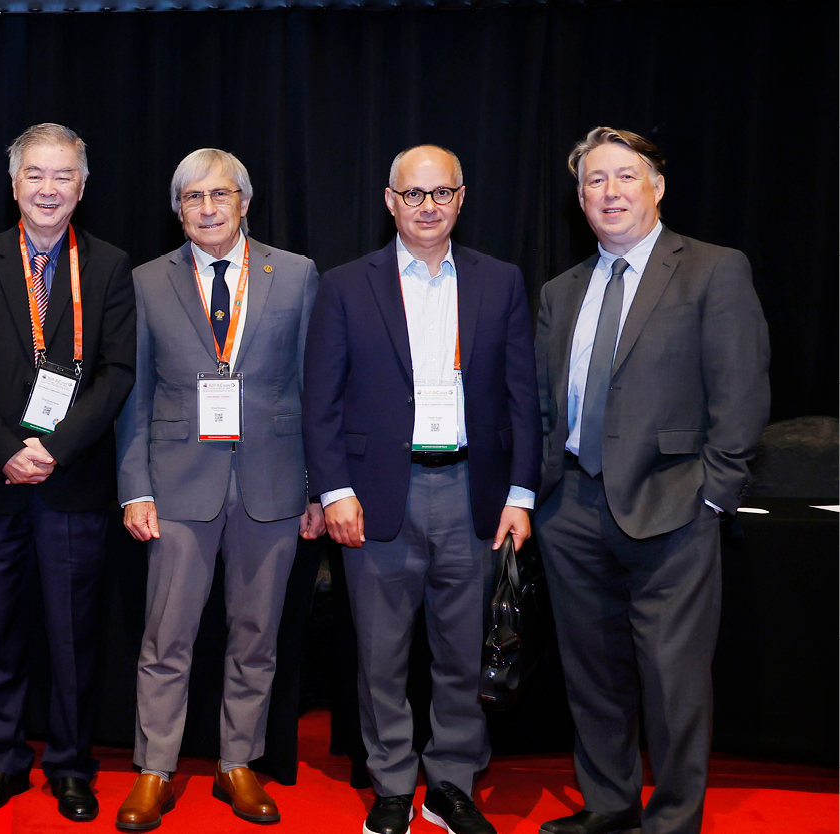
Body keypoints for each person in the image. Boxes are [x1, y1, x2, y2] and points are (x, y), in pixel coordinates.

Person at [532, 128, 769, 834]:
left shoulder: (710, 270)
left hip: (673, 508)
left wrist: (712, 494)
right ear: (578, 199)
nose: (609, 192)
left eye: (624, 176)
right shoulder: (559, 290)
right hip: (570, 508)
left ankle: (671, 821)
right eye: (594, 181)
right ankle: (608, 807)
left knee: (672, 684)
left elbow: (741, 394)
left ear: (655, 186)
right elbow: (547, 406)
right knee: (592, 678)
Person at [302, 145, 538, 834]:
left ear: (461, 199)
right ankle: (392, 783)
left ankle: (452, 782)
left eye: (441, 193)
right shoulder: (347, 285)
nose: (427, 206)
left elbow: (523, 399)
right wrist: (333, 490)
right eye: (413, 194)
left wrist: (520, 495)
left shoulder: (500, 282)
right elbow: (320, 400)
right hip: (376, 497)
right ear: (389, 201)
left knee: (463, 654)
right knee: (379, 656)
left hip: (473, 493)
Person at [111, 148, 323, 831]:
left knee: (256, 636)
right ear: (177, 209)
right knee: (165, 638)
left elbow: (312, 389)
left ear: (244, 202)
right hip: (175, 487)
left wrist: (318, 488)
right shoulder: (145, 282)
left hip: (272, 483)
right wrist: (133, 488)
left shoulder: (294, 275)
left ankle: (238, 763)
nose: (206, 208)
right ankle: (154, 769)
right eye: (192, 197)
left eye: (219, 195)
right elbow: (132, 399)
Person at [0, 123, 136, 823]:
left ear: (81, 187)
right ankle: (0, 760)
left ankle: (70, 766)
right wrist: (4, 450)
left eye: (62, 177)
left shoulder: (111, 266)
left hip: (73, 480)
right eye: (35, 175)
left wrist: (54, 447)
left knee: (73, 635)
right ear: (13, 184)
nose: (48, 189)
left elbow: (117, 373)